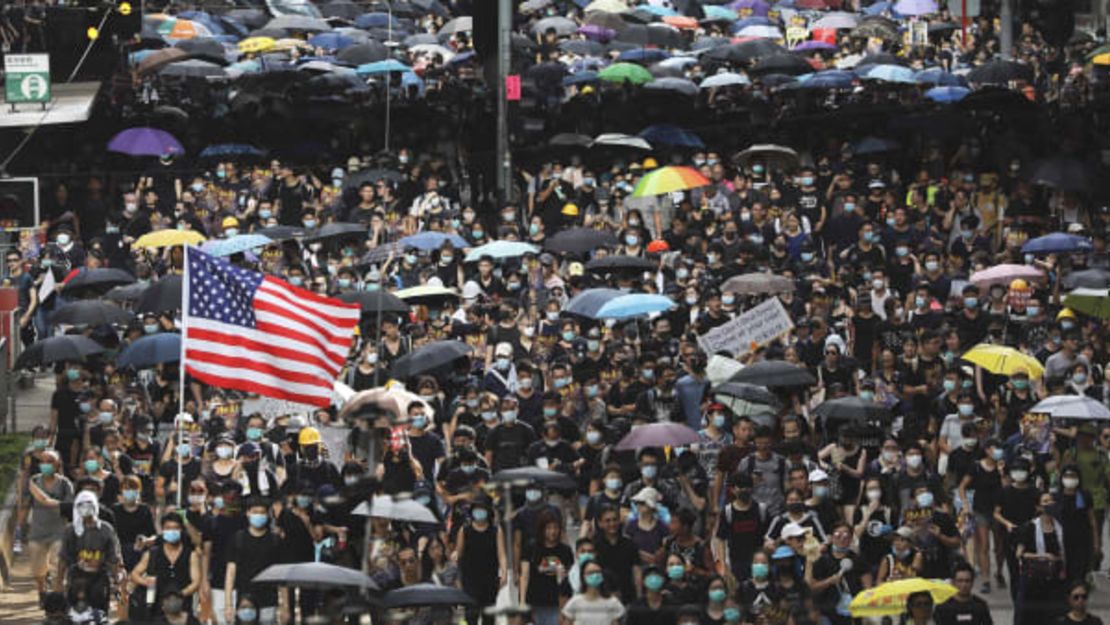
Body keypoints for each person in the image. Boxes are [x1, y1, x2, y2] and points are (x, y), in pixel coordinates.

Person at [223, 499, 289, 625]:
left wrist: (285, 606)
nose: (259, 515)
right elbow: (230, 573)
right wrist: (228, 604)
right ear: (248, 513)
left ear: (267, 515)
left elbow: (282, 576)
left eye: (262, 512)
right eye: (255, 512)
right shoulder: (238, 539)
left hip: (268, 603)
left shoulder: (275, 541)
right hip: (244, 603)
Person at [27, 450, 74, 603]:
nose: (46, 464)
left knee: (57, 566)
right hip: (37, 532)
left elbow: (69, 507)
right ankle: (41, 591)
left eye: (50, 461)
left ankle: (56, 599)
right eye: (43, 461)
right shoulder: (34, 480)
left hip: (58, 532)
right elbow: (27, 504)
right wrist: (21, 527)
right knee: (37, 570)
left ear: (57, 464)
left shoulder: (65, 484)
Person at [561, 560, 625, 625]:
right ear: (583, 576)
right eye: (590, 573)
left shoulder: (613, 602)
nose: (595, 575)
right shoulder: (575, 602)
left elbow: (615, 623)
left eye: (597, 572)